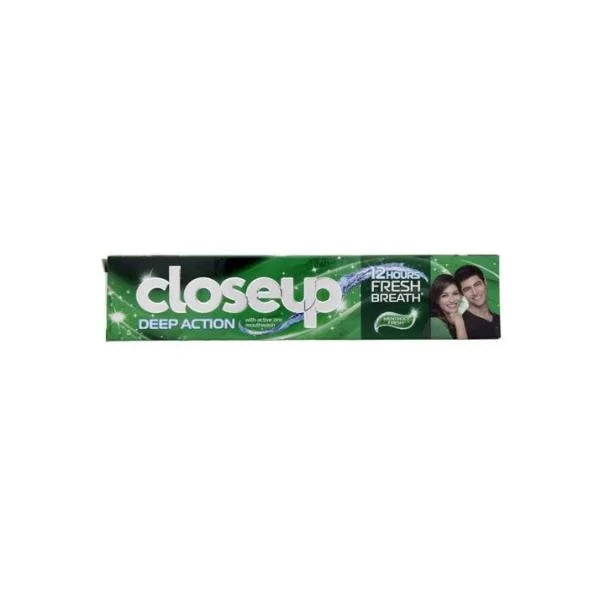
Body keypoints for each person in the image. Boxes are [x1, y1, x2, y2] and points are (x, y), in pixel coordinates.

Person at [454, 265, 501, 339]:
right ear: (462, 293)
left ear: (485, 282)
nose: (475, 292)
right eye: (467, 289)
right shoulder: (462, 326)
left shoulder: (498, 319)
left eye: (477, 284)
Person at [429, 274, 468, 339]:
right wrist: (459, 323)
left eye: (455, 293)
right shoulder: (435, 323)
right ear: (437, 300)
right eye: (444, 295)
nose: (451, 300)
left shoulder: (462, 317)